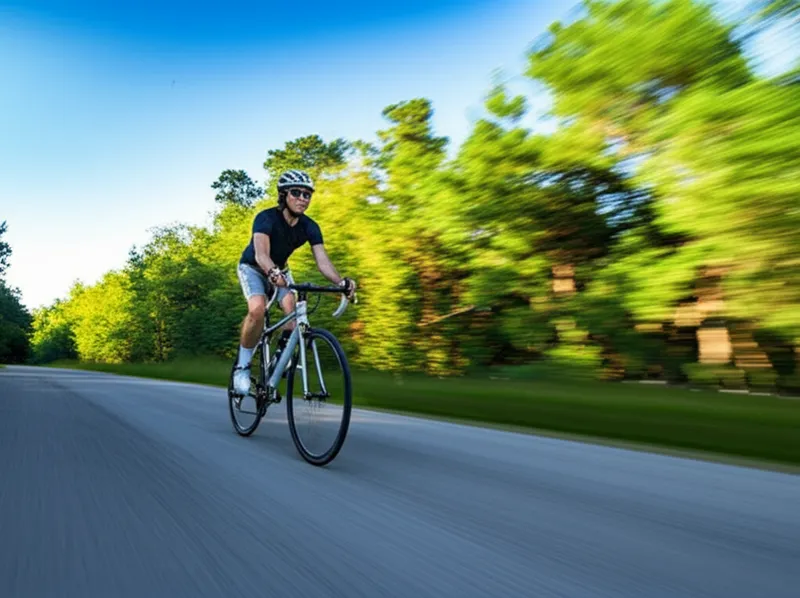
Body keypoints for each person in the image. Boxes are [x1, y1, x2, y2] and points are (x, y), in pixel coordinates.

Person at [233, 169, 356, 395]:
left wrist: (341, 282)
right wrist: (272, 273)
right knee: (257, 310)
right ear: (283, 195)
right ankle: (242, 367)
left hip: (281, 269)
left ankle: (281, 358)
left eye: (307, 194)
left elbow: (323, 262)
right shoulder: (265, 218)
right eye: (296, 192)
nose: (302, 198)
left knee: (292, 309)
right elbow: (261, 254)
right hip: (253, 267)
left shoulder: (310, 226)